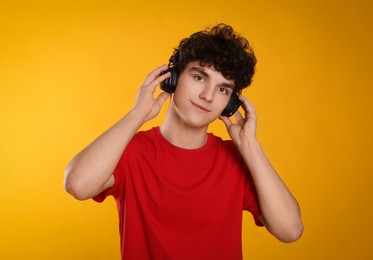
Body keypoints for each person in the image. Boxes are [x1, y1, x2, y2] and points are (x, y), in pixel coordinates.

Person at [64, 23, 303, 260]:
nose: (207, 96)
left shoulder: (238, 159)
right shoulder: (131, 151)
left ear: (231, 103)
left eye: (222, 89)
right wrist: (137, 114)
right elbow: (78, 184)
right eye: (199, 77)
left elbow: (290, 230)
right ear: (172, 78)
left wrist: (250, 146)